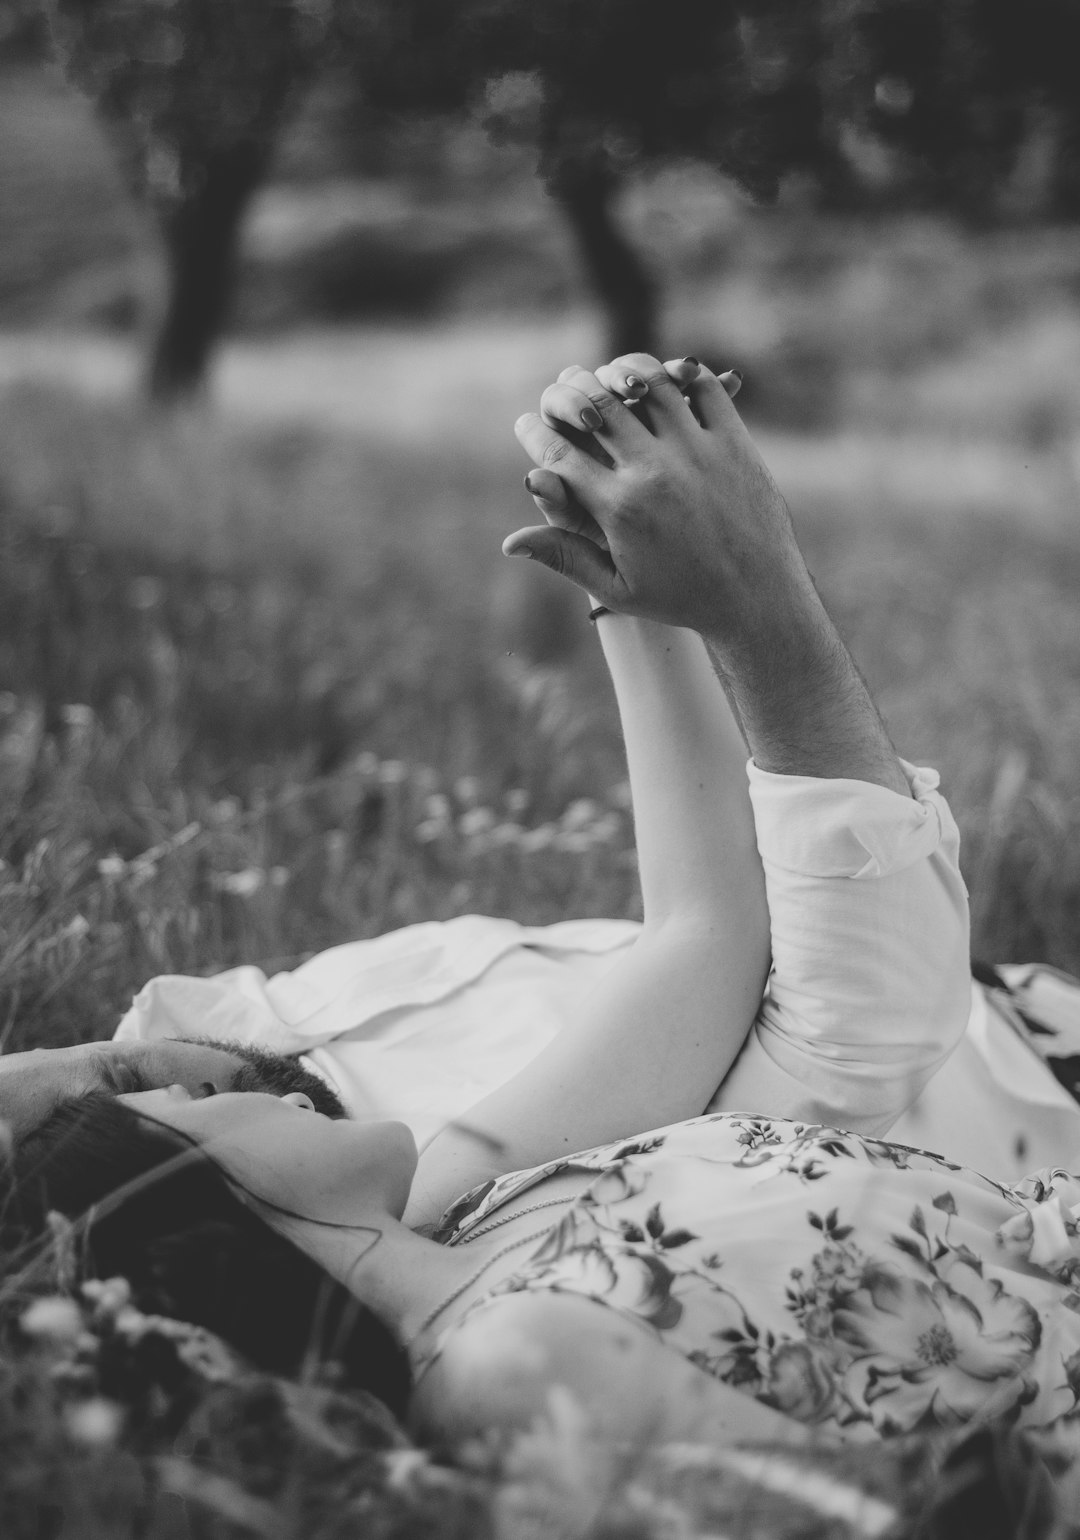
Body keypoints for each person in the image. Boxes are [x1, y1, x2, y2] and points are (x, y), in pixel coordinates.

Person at [8, 352, 1080, 1459]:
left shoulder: (471, 1180)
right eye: (142, 1088)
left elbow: (701, 929)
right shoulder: (496, 1354)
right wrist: (757, 590)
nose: (201, 1066)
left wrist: (634, 595)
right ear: (184, 1197)